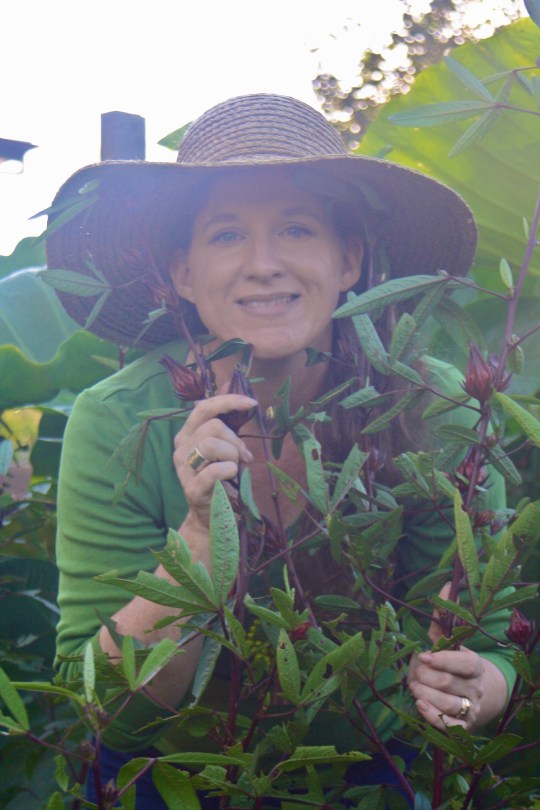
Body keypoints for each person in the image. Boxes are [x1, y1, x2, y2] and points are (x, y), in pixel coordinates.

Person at [46, 94, 514, 808]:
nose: (263, 264)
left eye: (296, 228)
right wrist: (201, 534)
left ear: (348, 259)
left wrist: (481, 686)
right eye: (227, 235)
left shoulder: (435, 405)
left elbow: (493, 637)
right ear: (182, 273)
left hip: (374, 769)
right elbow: (106, 708)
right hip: (174, 775)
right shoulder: (116, 420)